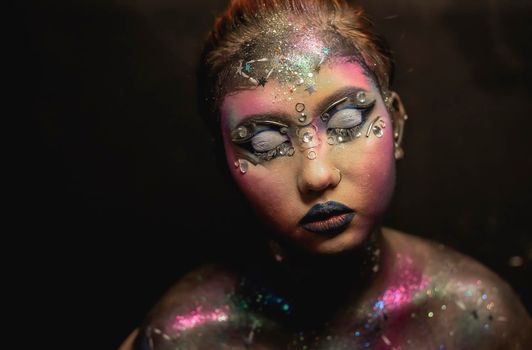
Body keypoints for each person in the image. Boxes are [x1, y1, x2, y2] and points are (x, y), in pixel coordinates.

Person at [120, 0, 531, 348]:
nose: (317, 175)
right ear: (225, 165)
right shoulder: (184, 337)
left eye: (348, 122)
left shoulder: (479, 321)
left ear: (397, 124)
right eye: (264, 143)